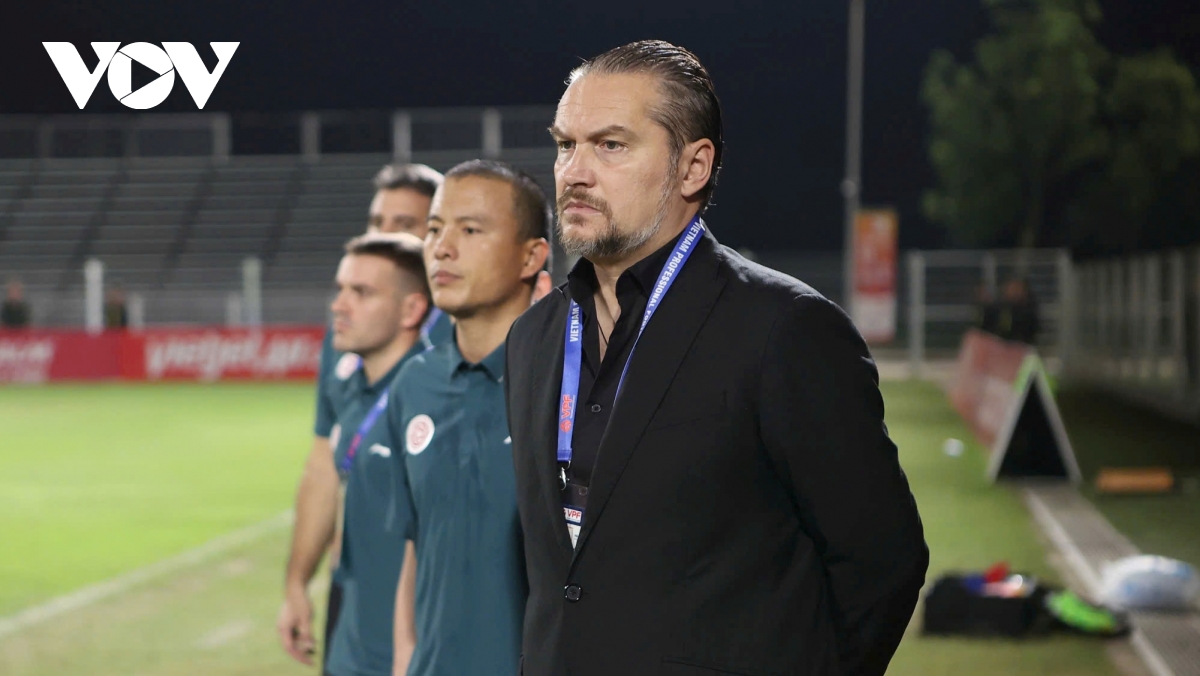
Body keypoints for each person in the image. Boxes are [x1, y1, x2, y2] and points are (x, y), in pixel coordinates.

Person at [505, 40, 928, 676]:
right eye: (566, 145)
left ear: (693, 167)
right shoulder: (532, 338)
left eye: (610, 145)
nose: (575, 172)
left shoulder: (785, 328)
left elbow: (882, 559)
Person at [278, 162, 448, 672]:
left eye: (404, 224)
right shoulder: (347, 341)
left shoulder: (459, 343)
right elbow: (324, 465)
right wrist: (297, 581)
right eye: (377, 221)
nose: (384, 234)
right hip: (354, 594)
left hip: (420, 612)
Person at [387, 160, 551, 676]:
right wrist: (405, 662)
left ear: (531, 256)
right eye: (435, 229)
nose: (442, 247)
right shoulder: (413, 384)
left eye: (471, 230)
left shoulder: (569, 388)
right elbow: (418, 547)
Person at [998, 278, 1040, 345]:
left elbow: (1033, 329)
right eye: (1011, 288)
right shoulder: (1001, 309)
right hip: (1003, 344)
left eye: (1016, 289)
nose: (1014, 292)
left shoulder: (1028, 310)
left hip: (1023, 344)